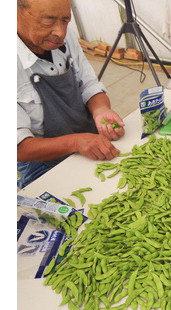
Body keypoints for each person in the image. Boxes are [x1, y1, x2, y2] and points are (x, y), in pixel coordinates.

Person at [17, 0, 125, 188]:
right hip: (41, 162)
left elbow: (89, 84)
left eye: (66, 20)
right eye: (48, 22)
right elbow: (18, 147)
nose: (61, 32)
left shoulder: (64, 39)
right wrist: (75, 142)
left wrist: (101, 110)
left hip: (88, 138)